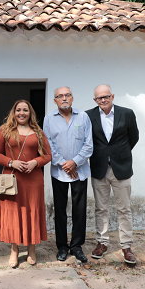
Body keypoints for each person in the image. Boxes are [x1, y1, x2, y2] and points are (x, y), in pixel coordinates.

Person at [0, 100, 51, 268]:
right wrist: (11, 162)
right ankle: (14, 250)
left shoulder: (38, 131)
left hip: (33, 180)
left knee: (32, 212)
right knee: (13, 214)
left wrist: (35, 162)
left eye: (25, 110)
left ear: (30, 112)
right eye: (18, 110)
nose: (22, 113)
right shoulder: (5, 130)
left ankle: (32, 248)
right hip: (11, 179)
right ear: (14, 112)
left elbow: (47, 155)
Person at [86, 84, 139, 264]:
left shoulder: (127, 113)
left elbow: (134, 137)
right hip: (99, 167)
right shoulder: (89, 115)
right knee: (101, 208)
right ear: (95, 100)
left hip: (121, 168)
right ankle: (102, 243)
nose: (103, 100)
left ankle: (126, 246)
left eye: (106, 96)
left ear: (112, 96)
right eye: (99, 98)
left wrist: (119, 154)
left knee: (124, 209)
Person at [43, 87, 93, 263]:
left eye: (67, 95)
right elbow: (47, 144)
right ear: (55, 100)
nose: (64, 98)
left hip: (80, 170)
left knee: (79, 209)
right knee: (60, 210)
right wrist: (65, 164)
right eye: (60, 96)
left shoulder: (83, 117)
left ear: (72, 98)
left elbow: (89, 144)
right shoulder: (49, 119)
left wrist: (75, 162)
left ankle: (77, 246)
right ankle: (62, 247)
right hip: (59, 171)